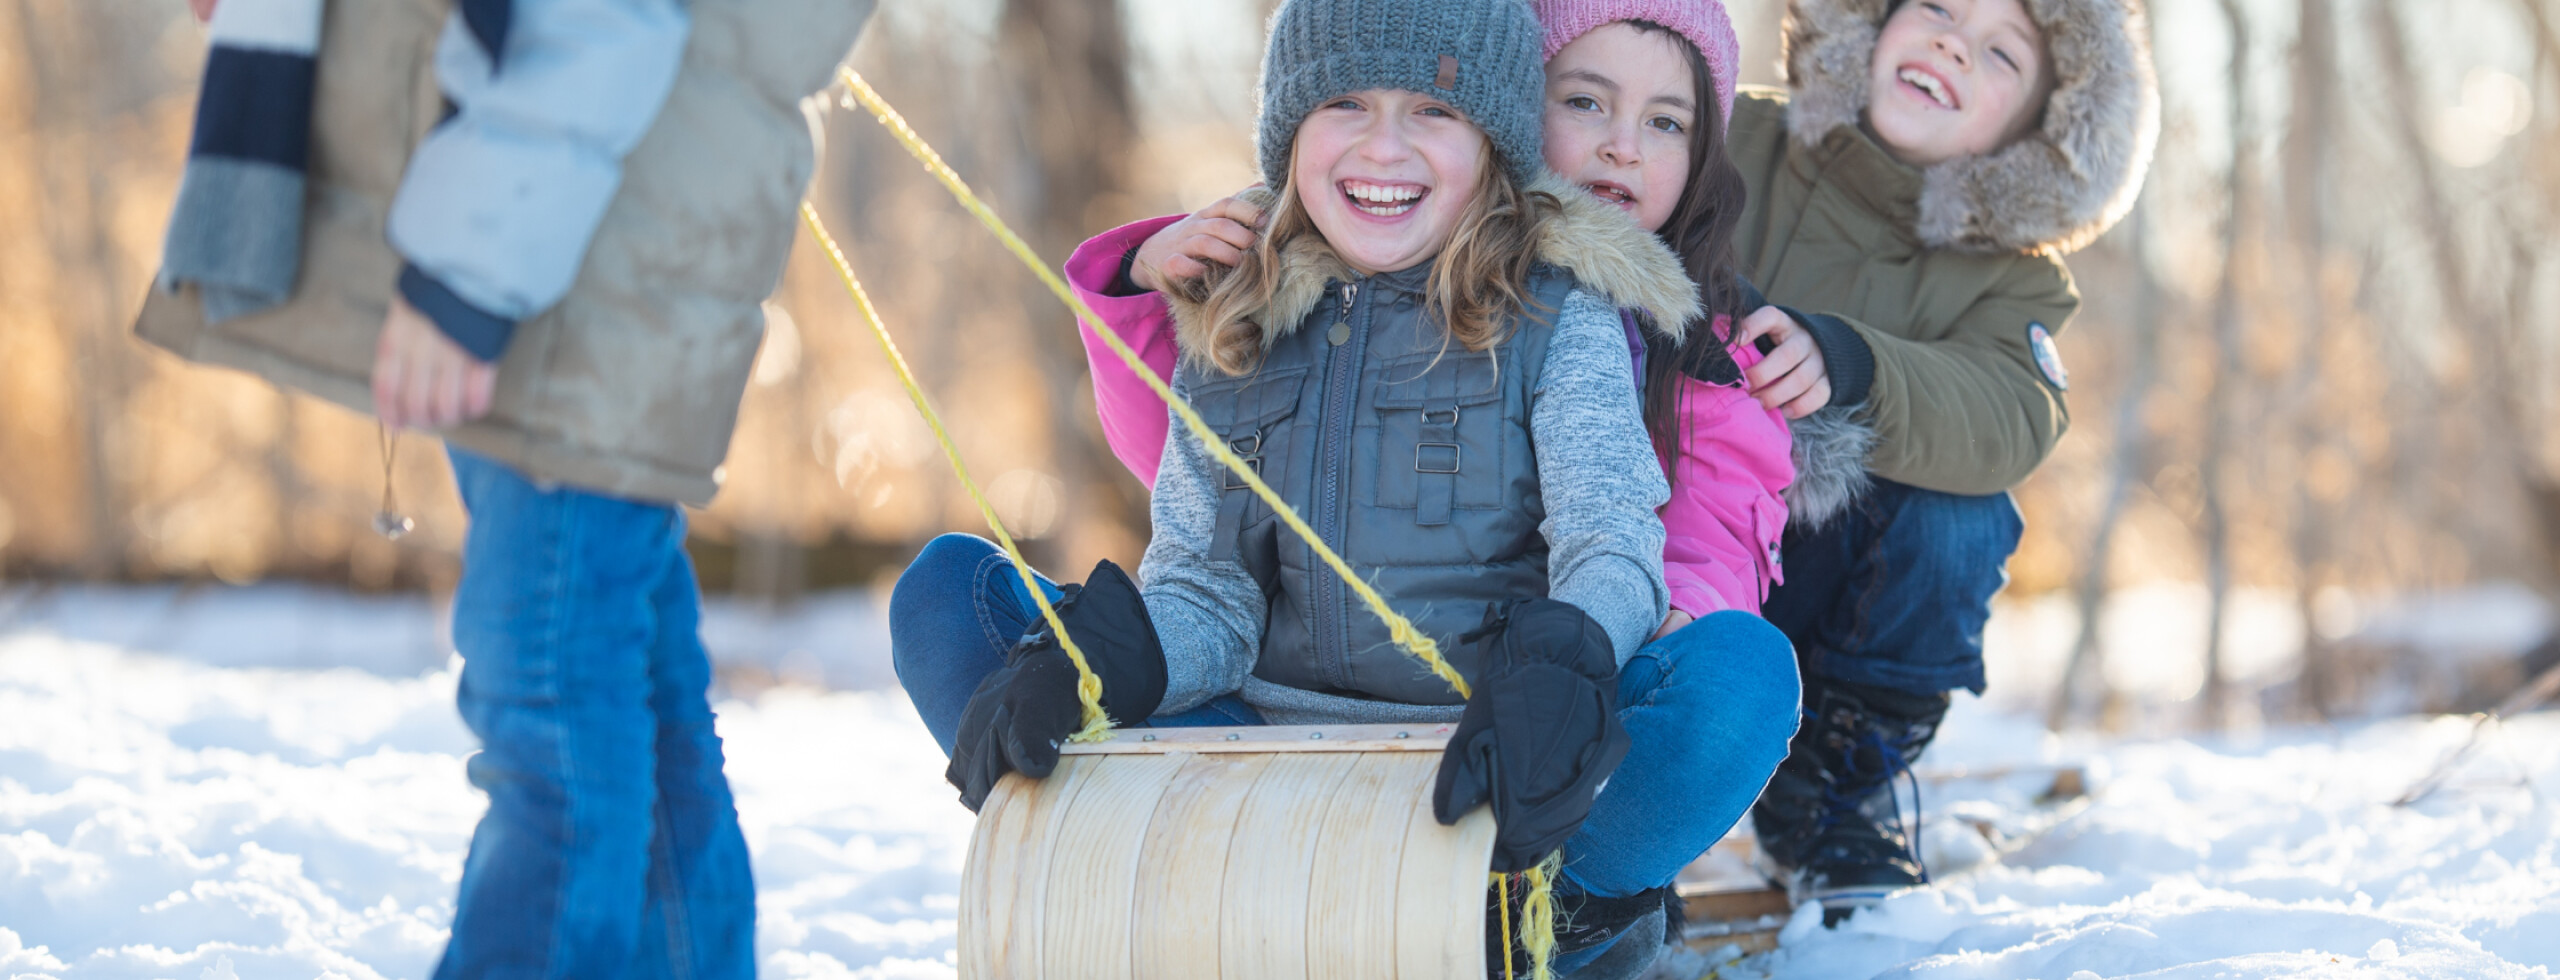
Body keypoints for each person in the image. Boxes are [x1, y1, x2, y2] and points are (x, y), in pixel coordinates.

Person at [1072, 0, 2161, 921]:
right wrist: (1162, 271)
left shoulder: (1987, 284)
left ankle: (1820, 794)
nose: (1620, 145)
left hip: (1703, 592)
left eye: (2004, 50)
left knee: (1940, 528)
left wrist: (1854, 365)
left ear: (2041, 122)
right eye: (1937, 6)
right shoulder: (1743, 138)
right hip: (1349, 659)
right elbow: (1199, 437)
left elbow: (1743, 490)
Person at [887, 1, 1799, 975]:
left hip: (1492, 762)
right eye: (1345, 103)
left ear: (1493, 138)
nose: (1385, 145)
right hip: (1260, 753)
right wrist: (1118, 659)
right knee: (951, 591)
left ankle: (1522, 912)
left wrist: (1564, 653)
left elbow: (1611, 543)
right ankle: (1151, 878)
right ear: (1288, 130)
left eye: (1433, 112)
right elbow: (1209, 590)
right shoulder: (1238, 314)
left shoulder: (1556, 310)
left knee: (1742, 673)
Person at [138, 0, 875, 972]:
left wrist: (470, 266)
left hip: (573, 261)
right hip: (594, 235)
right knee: (637, 710)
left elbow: (602, 21)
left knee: (552, 707)